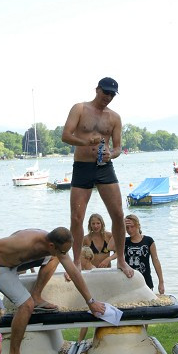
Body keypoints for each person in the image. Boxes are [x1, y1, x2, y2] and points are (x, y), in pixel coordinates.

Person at [0, 228, 106, 354]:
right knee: (26, 306)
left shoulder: (53, 246)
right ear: (52, 246)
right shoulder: (24, 241)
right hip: (0, 268)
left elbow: (73, 271)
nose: (65, 255)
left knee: (54, 258)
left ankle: (36, 296)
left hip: (16, 263)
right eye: (63, 251)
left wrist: (91, 301)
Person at [61, 77, 133, 278]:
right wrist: (85, 141)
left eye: (111, 95)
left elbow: (118, 147)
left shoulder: (114, 117)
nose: (108, 97)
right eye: (105, 93)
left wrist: (113, 154)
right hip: (82, 166)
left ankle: (120, 260)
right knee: (76, 217)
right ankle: (76, 262)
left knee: (118, 214)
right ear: (97, 90)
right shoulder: (80, 109)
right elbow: (65, 135)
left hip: (104, 167)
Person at [124, 214, 165, 294]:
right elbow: (110, 247)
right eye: (127, 228)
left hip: (145, 281)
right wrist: (120, 227)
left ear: (138, 226)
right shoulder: (125, 241)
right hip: (128, 281)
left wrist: (161, 282)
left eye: (132, 227)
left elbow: (155, 261)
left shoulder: (148, 241)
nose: (130, 230)